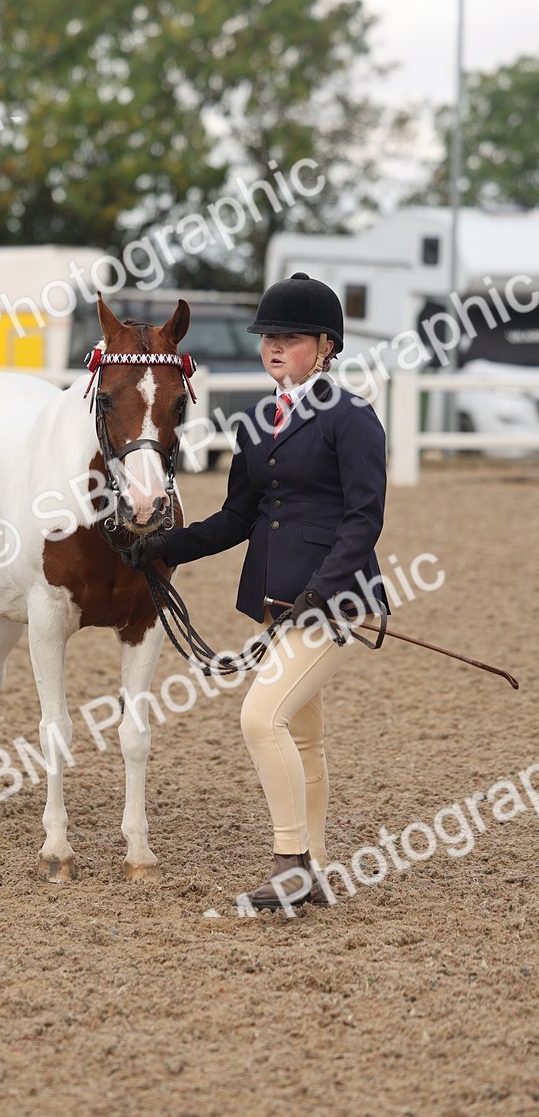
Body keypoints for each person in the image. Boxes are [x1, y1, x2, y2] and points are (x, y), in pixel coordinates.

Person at [129, 272, 388, 910]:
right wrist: (166, 546)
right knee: (302, 739)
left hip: (332, 604)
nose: (273, 347)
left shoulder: (351, 418)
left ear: (325, 346)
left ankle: (291, 866)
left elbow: (365, 518)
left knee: (258, 718)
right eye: (267, 336)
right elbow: (237, 519)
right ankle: (319, 869)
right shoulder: (257, 421)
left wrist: (322, 590)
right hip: (271, 603)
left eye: (290, 338)